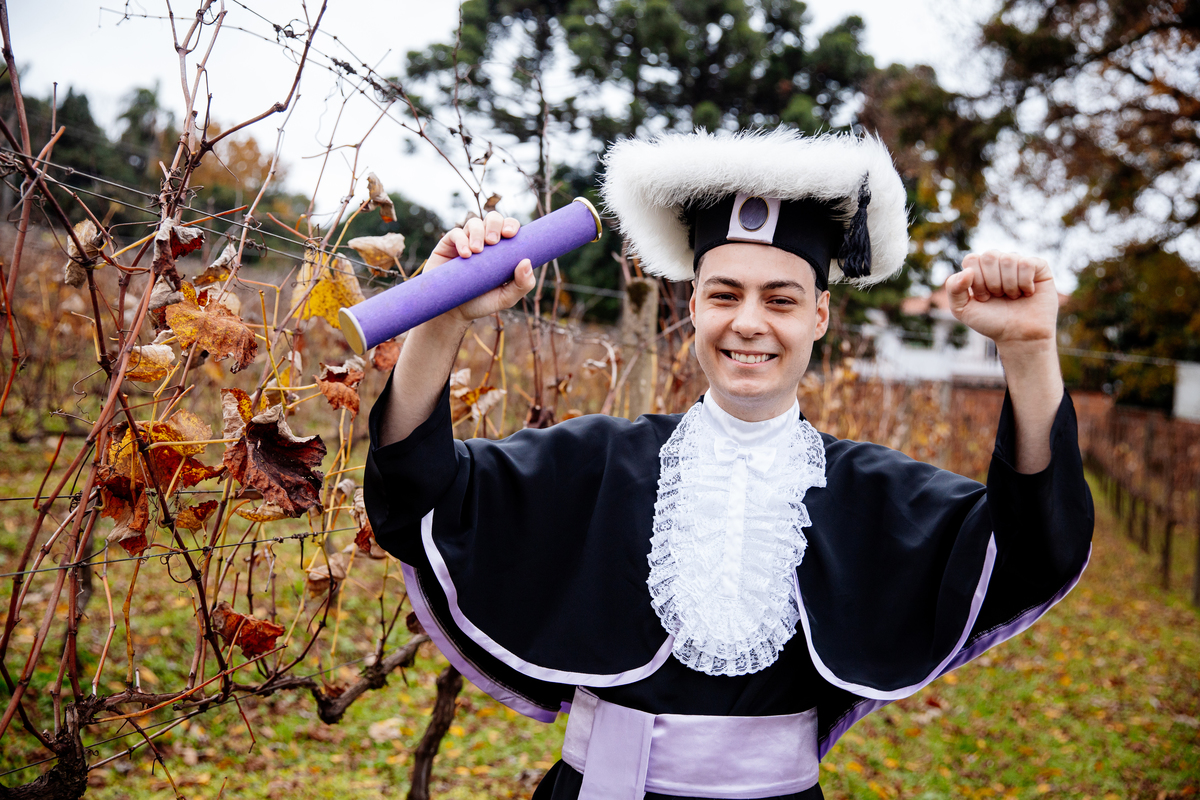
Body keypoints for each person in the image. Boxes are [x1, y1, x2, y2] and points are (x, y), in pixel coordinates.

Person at [363, 129, 1093, 800]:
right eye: (724, 294)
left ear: (819, 316)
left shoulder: (873, 492)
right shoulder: (597, 461)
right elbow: (417, 496)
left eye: (780, 299)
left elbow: (1033, 548)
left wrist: (1029, 352)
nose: (748, 322)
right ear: (693, 305)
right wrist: (444, 317)